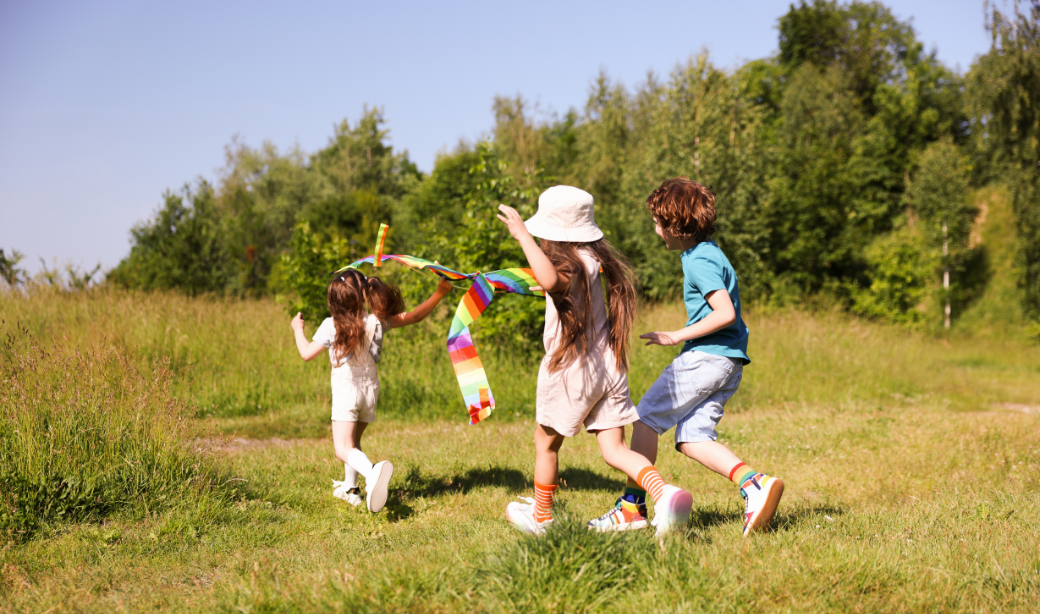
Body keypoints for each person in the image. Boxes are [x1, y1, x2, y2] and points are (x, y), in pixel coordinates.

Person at [587, 177, 783, 537]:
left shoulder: (698, 261)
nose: (655, 228)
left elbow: (724, 313)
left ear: (676, 224)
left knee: (644, 420)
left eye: (658, 222)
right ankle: (753, 483)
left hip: (705, 359)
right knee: (692, 437)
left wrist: (675, 334)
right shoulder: (710, 252)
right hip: (729, 362)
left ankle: (632, 508)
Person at [497, 185, 693, 536]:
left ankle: (542, 518)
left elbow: (548, 279)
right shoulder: (593, 259)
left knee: (546, 443)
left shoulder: (568, 265)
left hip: (573, 369)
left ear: (552, 232)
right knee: (614, 449)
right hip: (608, 368)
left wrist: (522, 236)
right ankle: (664, 494)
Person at [290, 269, 453, 512]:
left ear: (335, 299)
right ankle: (351, 488)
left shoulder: (330, 325)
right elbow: (415, 316)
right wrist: (439, 293)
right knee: (354, 442)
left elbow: (306, 353)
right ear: (362, 295)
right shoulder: (377, 321)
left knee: (343, 449)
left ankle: (372, 472)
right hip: (370, 392)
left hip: (347, 392)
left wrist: (297, 329)